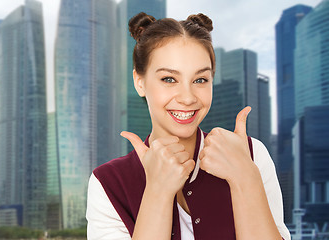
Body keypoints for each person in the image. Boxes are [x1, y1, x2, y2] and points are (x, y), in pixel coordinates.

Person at [86, 12, 290, 240]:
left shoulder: (251, 155)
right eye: (169, 79)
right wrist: (158, 191)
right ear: (139, 82)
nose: (187, 97)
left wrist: (245, 177)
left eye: (200, 80)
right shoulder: (108, 183)